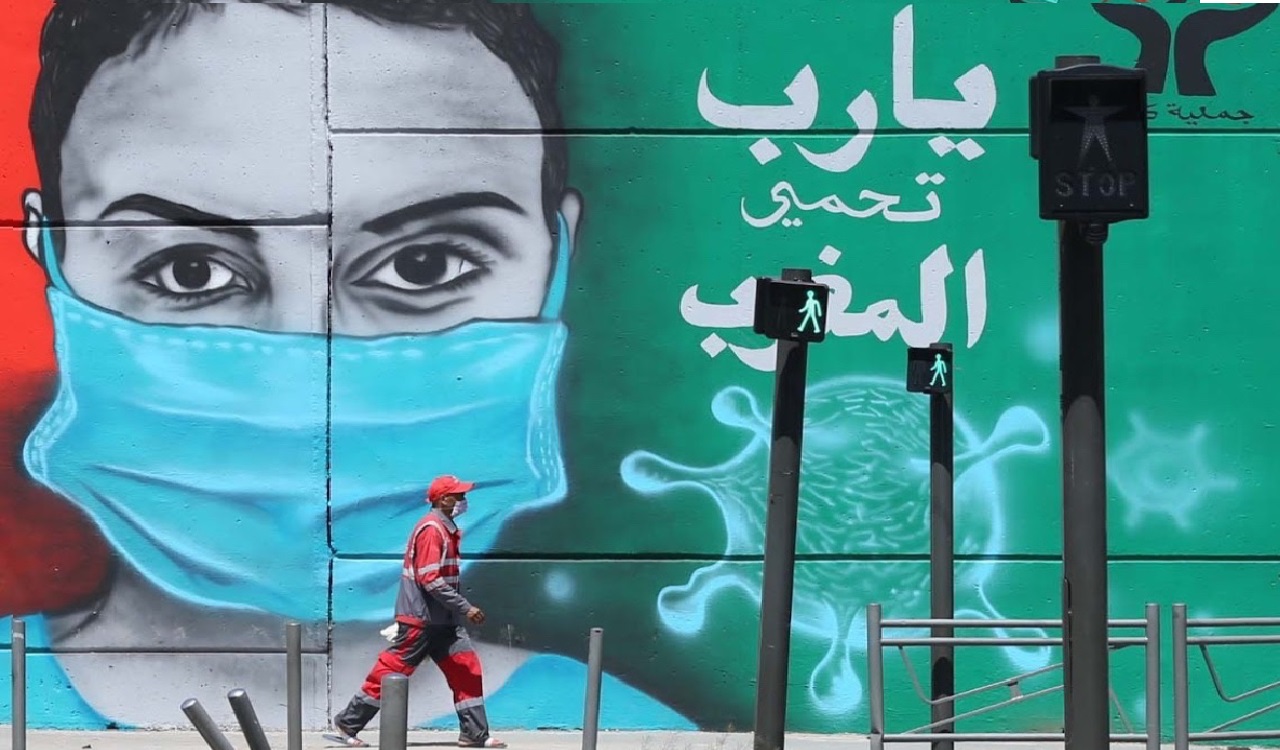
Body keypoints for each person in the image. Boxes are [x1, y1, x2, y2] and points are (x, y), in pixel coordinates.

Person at [9, 0, 592, 729]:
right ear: (52, 259)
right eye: (190, 270)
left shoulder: (613, 727)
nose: (308, 371)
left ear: (557, 259)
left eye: (424, 264)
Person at [330, 475, 506, 748]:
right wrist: (465, 607)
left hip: (444, 622)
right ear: (443, 500)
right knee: (391, 673)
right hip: (421, 620)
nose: (464, 500)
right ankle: (347, 723)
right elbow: (429, 579)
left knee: (466, 669)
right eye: (459, 496)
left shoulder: (445, 529)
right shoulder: (432, 530)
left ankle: (475, 734)